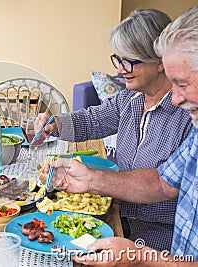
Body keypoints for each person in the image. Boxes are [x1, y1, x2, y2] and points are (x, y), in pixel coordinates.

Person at [48, 5, 198, 265]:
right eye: (117, 60)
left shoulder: (189, 117)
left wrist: (139, 257)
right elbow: (161, 183)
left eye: (128, 61)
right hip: (122, 219)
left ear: (159, 63)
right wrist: (55, 125)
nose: (119, 70)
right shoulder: (132, 99)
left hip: (155, 236)